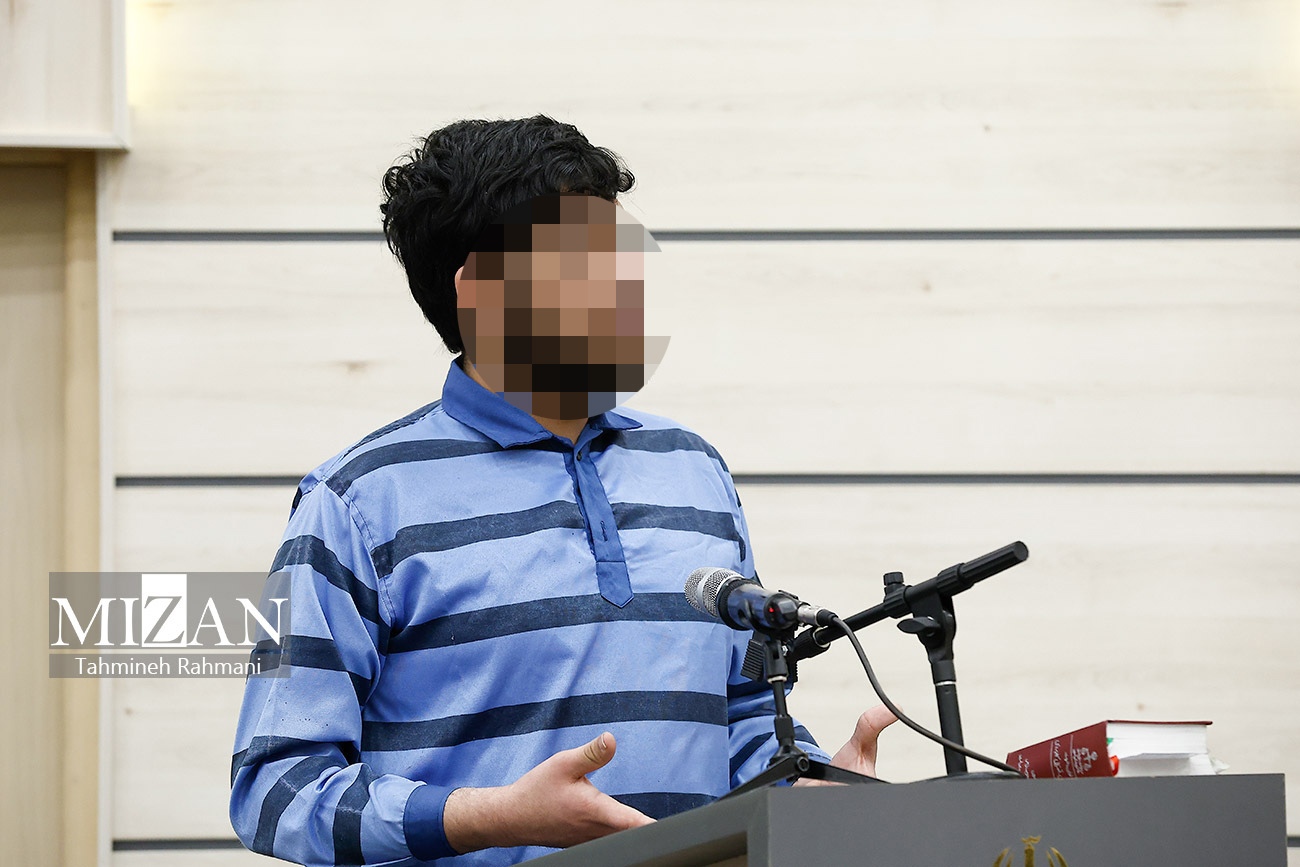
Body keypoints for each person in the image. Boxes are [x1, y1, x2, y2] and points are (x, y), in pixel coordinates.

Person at [229, 115, 895, 866]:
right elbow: (274, 788)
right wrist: (491, 816)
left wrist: (807, 787)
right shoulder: (355, 501)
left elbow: (737, 715)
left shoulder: (692, 467)